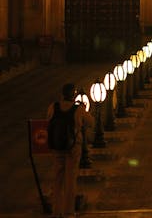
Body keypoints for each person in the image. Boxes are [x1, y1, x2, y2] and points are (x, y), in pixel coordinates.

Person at [47, 83, 94, 218]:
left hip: (57, 148)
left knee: (57, 180)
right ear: (73, 95)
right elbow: (91, 122)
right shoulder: (78, 109)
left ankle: (56, 211)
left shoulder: (53, 107)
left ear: (62, 94)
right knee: (70, 180)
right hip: (73, 148)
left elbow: (49, 121)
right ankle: (68, 211)